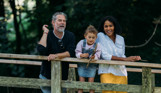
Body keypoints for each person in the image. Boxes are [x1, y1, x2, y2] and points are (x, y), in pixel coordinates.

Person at [97, 16, 141, 93]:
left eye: (110, 26)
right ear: (103, 27)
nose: (108, 28)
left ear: (114, 26)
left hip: (121, 72)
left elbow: (123, 55)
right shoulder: (100, 36)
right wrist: (125, 59)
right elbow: (105, 56)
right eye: (106, 26)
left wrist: (131, 59)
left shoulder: (121, 39)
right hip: (106, 72)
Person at [37, 12, 75, 93]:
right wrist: (45, 32)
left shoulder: (70, 35)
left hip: (63, 77)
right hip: (46, 77)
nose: (62, 23)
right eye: (59, 20)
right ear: (53, 22)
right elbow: (41, 50)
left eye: (64, 21)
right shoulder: (48, 34)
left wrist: (56, 56)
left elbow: (71, 52)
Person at [75, 25, 101, 93]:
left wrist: (94, 57)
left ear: (96, 38)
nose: (91, 39)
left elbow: (98, 55)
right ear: (85, 36)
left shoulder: (97, 45)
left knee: (91, 86)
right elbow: (77, 52)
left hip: (92, 67)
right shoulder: (81, 43)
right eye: (89, 37)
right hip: (82, 66)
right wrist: (81, 55)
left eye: (93, 37)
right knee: (81, 85)